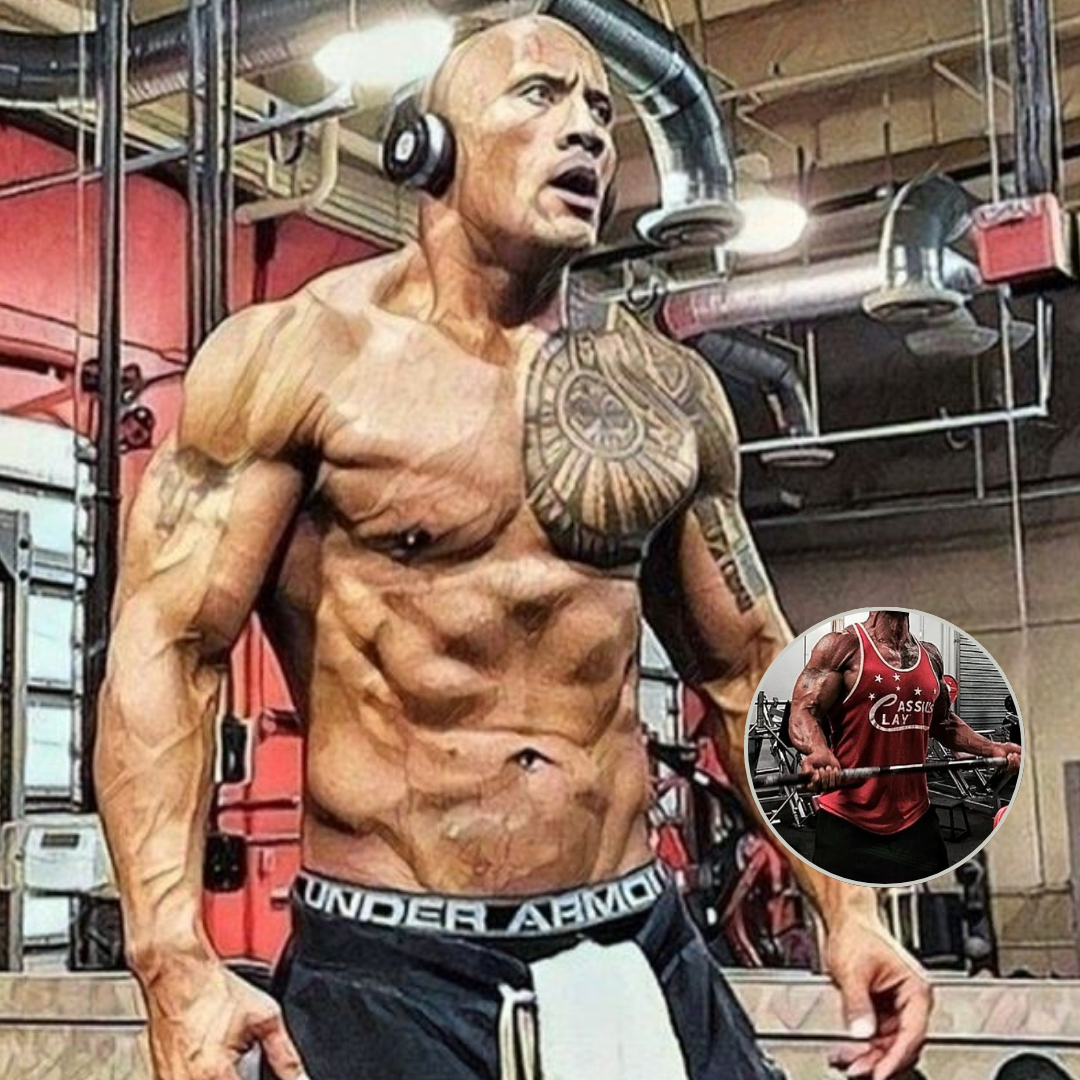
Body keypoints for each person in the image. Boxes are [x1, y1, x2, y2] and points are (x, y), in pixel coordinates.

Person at [95, 16, 931, 1080]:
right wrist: (172, 960)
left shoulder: (664, 393)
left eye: (601, 111)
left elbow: (746, 669)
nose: (587, 131)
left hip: (637, 940)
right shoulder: (303, 359)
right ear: (427, 147)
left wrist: (849, 909)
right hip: (395, 968)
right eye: (541, 95)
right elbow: (169, 649)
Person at [790, 611, 1022, 884]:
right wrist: (818, 750)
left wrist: (993, 749)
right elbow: (804, 709)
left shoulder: (930, 656)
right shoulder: (842, 646)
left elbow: (943, 722)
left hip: (916, 819)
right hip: (848, 821)